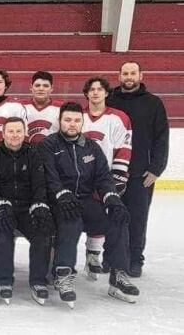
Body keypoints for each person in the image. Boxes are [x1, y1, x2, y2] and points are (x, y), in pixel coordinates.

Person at [40, 102, 138, 307]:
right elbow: (49, 177)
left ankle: (118, 273)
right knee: (71, 221)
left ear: (82, 122)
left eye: (76, 120)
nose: (72, 124)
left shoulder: (92, 146)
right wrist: (61, 194)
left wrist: (111, 197)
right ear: (60, 122)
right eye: (67, 120)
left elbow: (103, 176)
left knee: (117, 218)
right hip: (59, 201)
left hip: (85, 200)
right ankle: (63, 274)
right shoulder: (48, 145)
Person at [0, 117, 53, 305]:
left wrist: (39, 204)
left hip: (28, 208)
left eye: (18, 131)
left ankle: (38, 281)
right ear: (3, 134)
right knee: (3, 235)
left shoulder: (33, 154)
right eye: (10, 131)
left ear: (25, 133)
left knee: (42, 233)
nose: (15, 135)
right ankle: (4, 280)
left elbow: (40, 183)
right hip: (3, 208)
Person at [108, 61, 169, 278]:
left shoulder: (153, 103)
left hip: (140, 174)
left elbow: (162, 138)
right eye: (125, 73)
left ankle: (134, 259)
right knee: (112, 217)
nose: (129, 77)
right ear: (119, 76)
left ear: (141, 75)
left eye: (133, 73)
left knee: (137, 217)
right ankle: (111, 257)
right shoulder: (109, 100)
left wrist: (156, 168)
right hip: (111, 172)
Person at [81, 77, 133, 280]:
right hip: (80, 178)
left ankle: (93, 255)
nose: (95, 93)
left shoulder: (119, 117)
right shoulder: (78, 116)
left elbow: (124, 148)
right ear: (86, 93)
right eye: (91, 89)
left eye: (99, 89)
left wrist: (117, 178)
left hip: (105, 178)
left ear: (106, 93)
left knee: (105, 215)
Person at [23, 71, 61, 145]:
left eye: (45, 86)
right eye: (37, 85)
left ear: (52, 88)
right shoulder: (20, 107)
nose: (41, 89)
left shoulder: (61, 108)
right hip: (25, 154)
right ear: (31, 87)